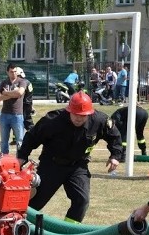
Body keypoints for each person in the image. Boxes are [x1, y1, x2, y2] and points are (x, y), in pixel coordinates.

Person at [18, 92, 122, 223]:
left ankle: (68, 232)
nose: (79, 118)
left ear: (89, 113)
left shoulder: (99, 120)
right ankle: (20, 229)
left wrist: (115, 156)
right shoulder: (53, 120)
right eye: (75, 114)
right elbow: (32, 136)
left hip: (78, 166)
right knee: (35, 202)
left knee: (82, 201)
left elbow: (114, 136)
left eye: (83, 116)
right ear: (69, 110)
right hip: (52, 165)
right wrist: (22, 156)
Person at [0, 64, 27, 154]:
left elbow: (20, 93)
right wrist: (12, 94)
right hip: (5, 115)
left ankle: (20, 159)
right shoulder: (4, 83)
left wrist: (6, 93)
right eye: (11, 72)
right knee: (4, 141)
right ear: (7, 72)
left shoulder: (22, 81)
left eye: (15, 71)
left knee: (19, 140)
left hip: (17, 115)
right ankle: (5, 159)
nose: (13, 73)